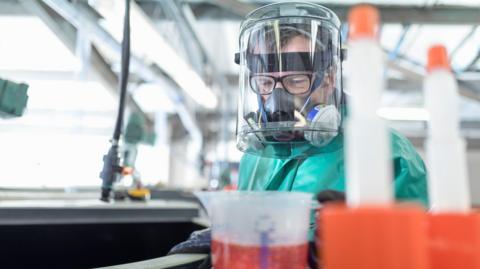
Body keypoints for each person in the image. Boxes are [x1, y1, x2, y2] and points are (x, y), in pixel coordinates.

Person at [169, 2, 428, 268]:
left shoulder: (389, 155)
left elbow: (416, 255)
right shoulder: (257, 155)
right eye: (266, 83)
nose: (277, 99)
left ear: (328, 79)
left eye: (295, 81)